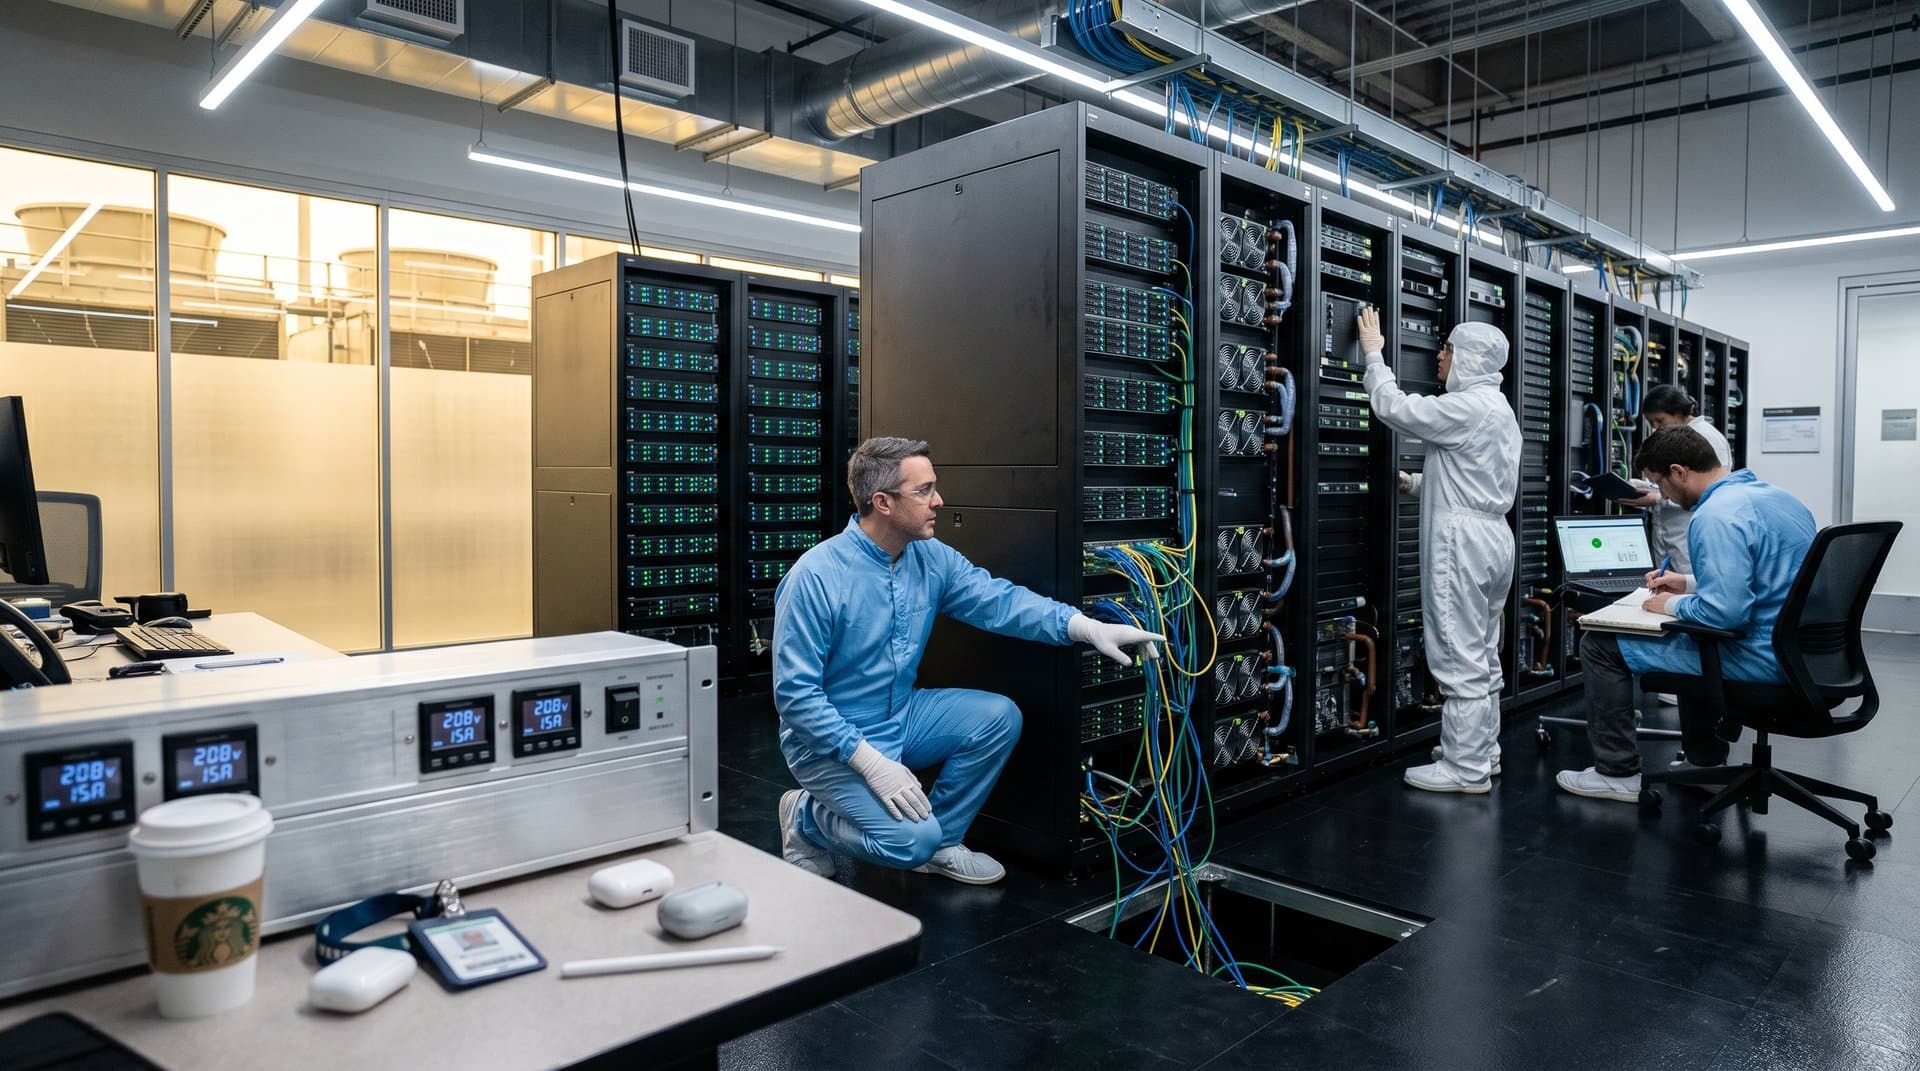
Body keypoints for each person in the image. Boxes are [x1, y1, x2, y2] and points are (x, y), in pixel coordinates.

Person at [772, 437, 1164, 884]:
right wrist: (867, 761)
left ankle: (940, 844)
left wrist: (1085, 627)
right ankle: (805, 817)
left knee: (997, 717)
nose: (938, 501)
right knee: (906, 843)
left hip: (900, 715)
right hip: (828, 742)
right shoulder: (816, 577)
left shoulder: (929, 558)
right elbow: (796, 698)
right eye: (924, 491)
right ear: (881, 502)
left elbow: (998, 601)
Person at [1557, 425, 1816, 802]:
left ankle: (1617, 773)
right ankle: (1706, 765)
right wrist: (1689, 584)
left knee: (1600, 644)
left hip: (1760, 659)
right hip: (1802, 655)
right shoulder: (1779, 499)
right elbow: (1767, 577)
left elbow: (1724, 615)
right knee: (1692, 635)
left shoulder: (1715, 516)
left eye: (1660, 484)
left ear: (1679, 471)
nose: (1662, 495)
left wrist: (1671, 604)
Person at [1357, 308, 1522, 793]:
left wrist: (1374, 354)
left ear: (1470, 358)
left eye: (1448, 348)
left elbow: (1394, 407)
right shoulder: (1498, 409)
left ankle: (1463, 769)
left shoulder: (1467, 406)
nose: (1440, 355)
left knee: (1458, 654)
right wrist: (1417, 484)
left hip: (1463, 544)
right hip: (1494, 536)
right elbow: (1474, 477)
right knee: (1485, 653)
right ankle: (1481, 752)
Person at [1622, 384, 1733, 574]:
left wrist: (1655, 498)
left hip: (1687, 536)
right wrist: (1647, 486)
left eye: (1660, 420)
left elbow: (1707, 489)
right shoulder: (1672, 438)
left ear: (1678, 411)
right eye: (1651, 423)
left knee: (1692, 590)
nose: (1656, 428)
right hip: (1670, 540)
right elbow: (1673, 478)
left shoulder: (1706, 437)